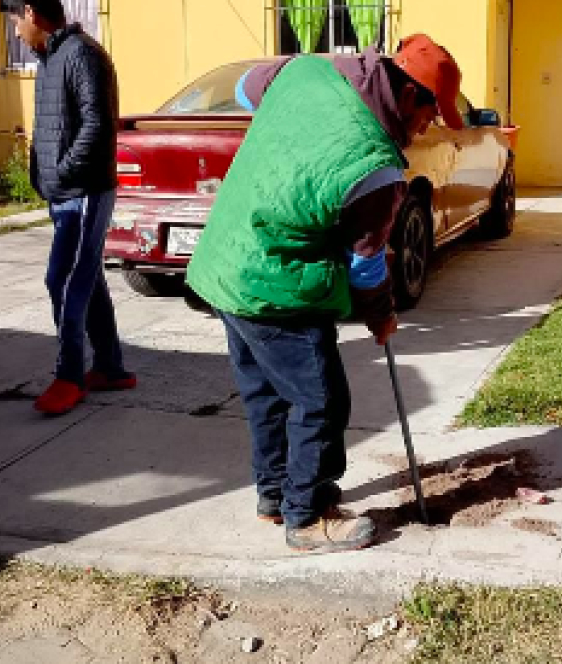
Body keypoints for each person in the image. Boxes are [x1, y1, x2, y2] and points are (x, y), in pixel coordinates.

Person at [187, 35, 463, 553]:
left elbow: (248, 92)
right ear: (407, 97)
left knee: (266, 394)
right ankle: (309, 515)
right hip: (278, 282)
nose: (427, 127)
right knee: (319, 400)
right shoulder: (376, 170)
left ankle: (275, 495)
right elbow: (364, 270)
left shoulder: (307, 72)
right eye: (431, 115)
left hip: (225, 263)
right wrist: (381, 316)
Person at [0, 0, 135, 415]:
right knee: (86, 278)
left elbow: (97, 123)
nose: (17, 32)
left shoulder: (81, 55)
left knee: (62, 280)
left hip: (85, 191)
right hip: (63, 192)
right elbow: (52, 125)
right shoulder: (50, 57)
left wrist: (62, 170)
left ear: (31, 12)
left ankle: (69, 376)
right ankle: (111, 367)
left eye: (15, 22)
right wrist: (43, 175)